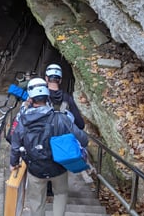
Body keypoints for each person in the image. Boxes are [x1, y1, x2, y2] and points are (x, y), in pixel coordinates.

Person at [9, 78, 88, 216]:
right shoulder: (60, 118)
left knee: (36, 200)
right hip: (58, 166)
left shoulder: (23, 121)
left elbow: (15, 144)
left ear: (31, 99)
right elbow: (83, 139)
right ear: (47, 97)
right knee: (61, 193)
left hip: (35, 168)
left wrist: (13, 163)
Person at [45, 64, 85, 130]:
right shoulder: (67, 98)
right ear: (60, 80)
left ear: (46, 78)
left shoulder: (41, 97)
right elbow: (80, 124)